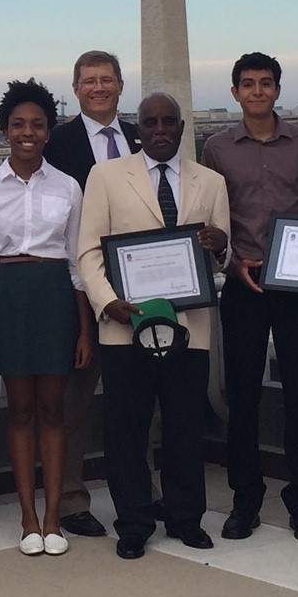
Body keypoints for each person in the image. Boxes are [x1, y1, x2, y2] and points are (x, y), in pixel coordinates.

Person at [77, 92, 230, 560]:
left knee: (185, 427)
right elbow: (87, 254)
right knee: (126, 430)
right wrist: (109, 303)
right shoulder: (105, 176)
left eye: (169, 122)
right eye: (150, 123)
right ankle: (135, 522)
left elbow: (221, 265)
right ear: (136, 130)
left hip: (189, 326)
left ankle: (186, 518)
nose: (160, 130)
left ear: (182, 128)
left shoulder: (212, 181)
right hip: (126, 327)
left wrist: (220, 246)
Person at [200, 52, 298, 542]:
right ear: (234, 92)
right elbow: (214, 220)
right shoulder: (217, 148)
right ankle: (245, 499)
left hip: (294, 288)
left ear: (277, 90)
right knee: (244, 395)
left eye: (266, 83)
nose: (257, 91)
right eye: (248, 84)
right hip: (242, 285)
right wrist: (232, 263)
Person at [0, 79, 94, 556]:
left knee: (54, 411)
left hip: (55, 297)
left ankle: (54, 516)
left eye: (37, 125)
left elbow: (79, 261)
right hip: (9, 297)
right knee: (20, 411)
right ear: (5, 131)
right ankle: (27, 518)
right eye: (18, 124)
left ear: (48, 130)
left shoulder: (68, 186)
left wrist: (84, 329)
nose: (27, 133)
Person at [43, 49, 141, 539]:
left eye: (107, 80)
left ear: (121, 85)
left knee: (139, 396)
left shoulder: (146, 137)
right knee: (74, 400)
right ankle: (71, 499)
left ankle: (143, 493)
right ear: (76, 88)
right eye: (89, 81)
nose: (98, 88)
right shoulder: (56, 142)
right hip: (79, 287)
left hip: (140, 285)